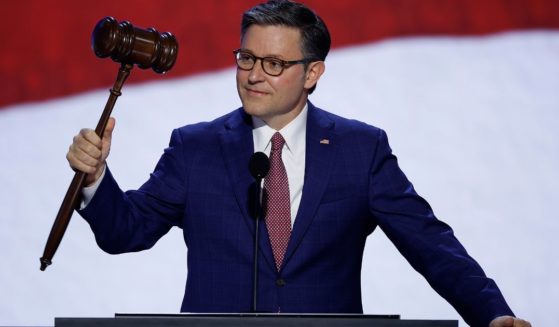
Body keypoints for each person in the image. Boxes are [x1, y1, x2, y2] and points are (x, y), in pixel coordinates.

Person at [67, 1, 531, 326]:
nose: (252, 75)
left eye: (273, 63)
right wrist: (94, 179)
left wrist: (493, 314)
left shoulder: (360, 150)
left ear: (312, 73)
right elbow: (123, 231)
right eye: (246, 57)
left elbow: (431, 246)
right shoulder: (196, 148)